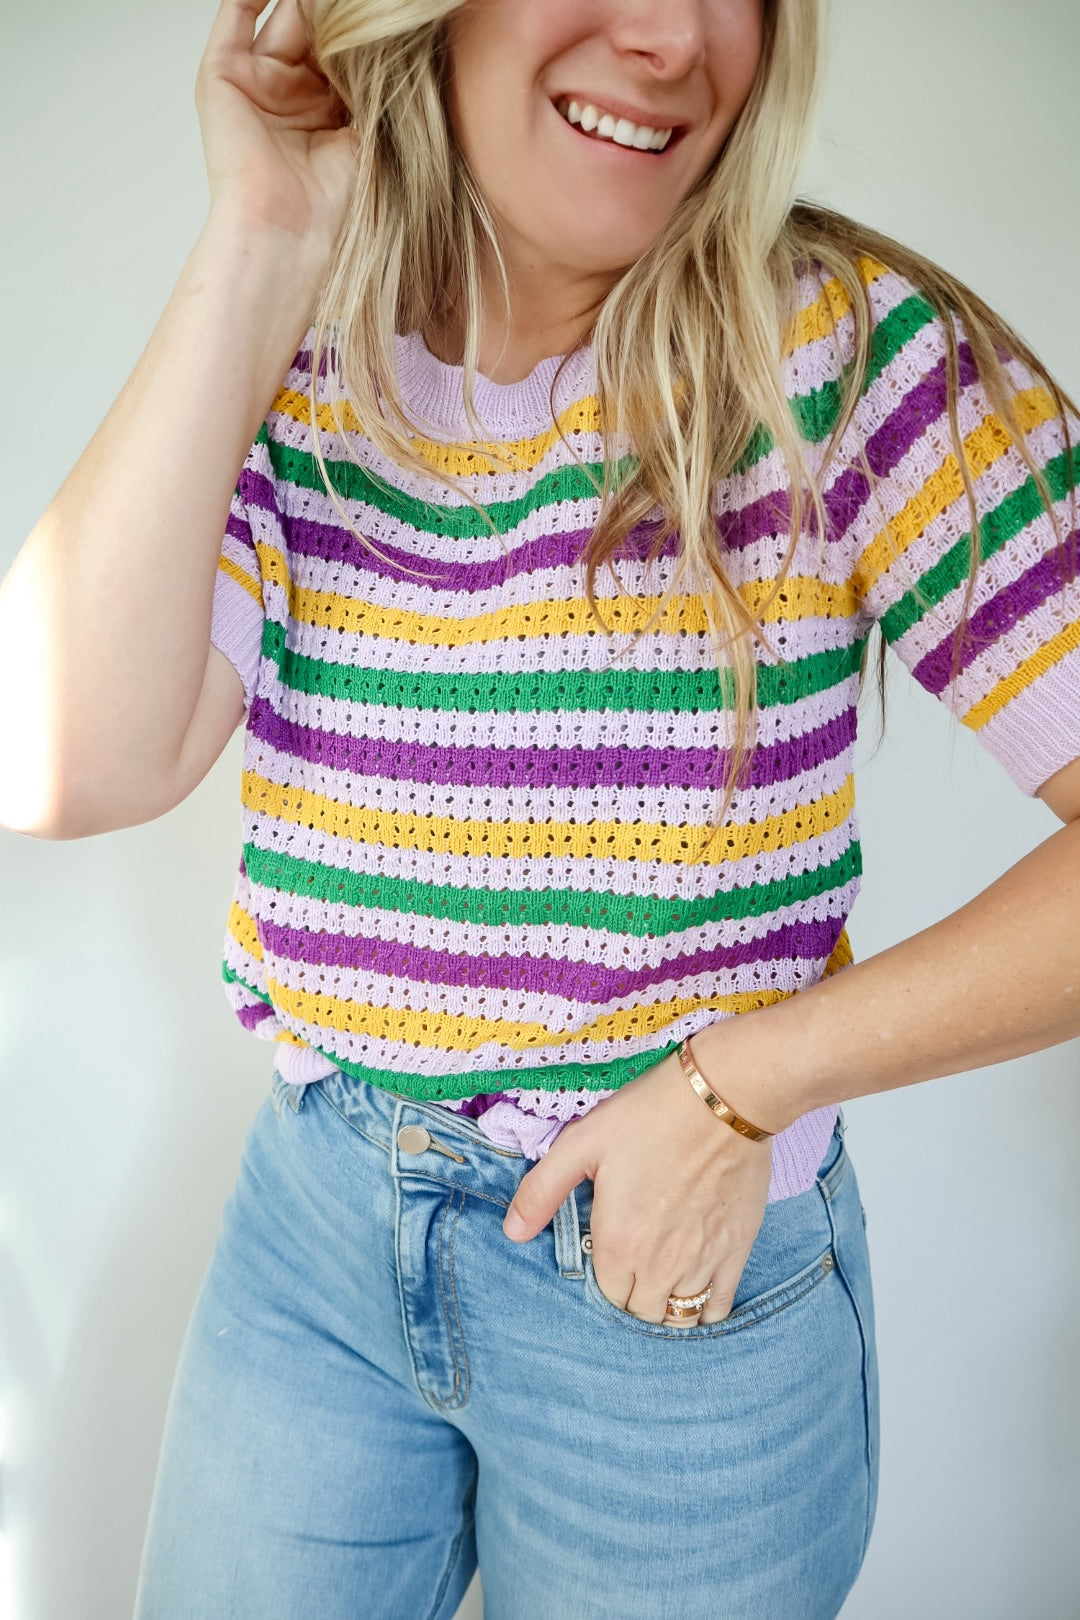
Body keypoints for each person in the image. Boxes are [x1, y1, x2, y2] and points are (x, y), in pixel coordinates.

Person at [2, 0, 1078, 1614]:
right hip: (318, 1231)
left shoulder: (843, 355)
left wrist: (744, 1086)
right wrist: (263, 233)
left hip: (665, 1289)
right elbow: (58, 762)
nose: (671, 37)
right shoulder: (308, 352)